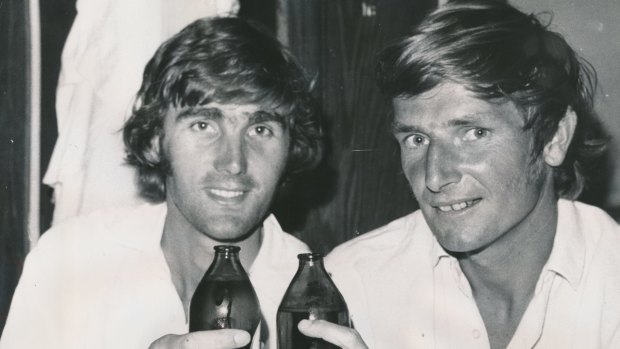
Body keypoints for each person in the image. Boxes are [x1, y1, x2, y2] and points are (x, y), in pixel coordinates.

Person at [300, 1, 620, 348]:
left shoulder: (610, 279)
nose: (435, 177)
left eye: (473, 133)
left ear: (555, 137)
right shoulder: (350, 282)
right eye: (416, 139)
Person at [0, 17, 323, 349]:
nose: (233, 162)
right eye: (203, 125)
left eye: (260, 129)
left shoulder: (319, 301)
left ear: (290, 148)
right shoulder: (69, 262)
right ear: (156, 138)